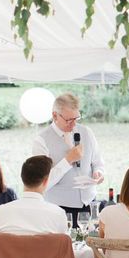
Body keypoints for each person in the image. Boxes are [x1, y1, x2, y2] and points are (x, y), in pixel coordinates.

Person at [32, 92, 105, 228]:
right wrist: (67, 160)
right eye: (68, 120)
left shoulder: (87, 132)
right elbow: (41, 183)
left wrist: (98, 173)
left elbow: (98, 162)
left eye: (76, 118)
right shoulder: (41, 141)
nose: (73, 124)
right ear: (55, 115)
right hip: (58, 209)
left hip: (88, 205)